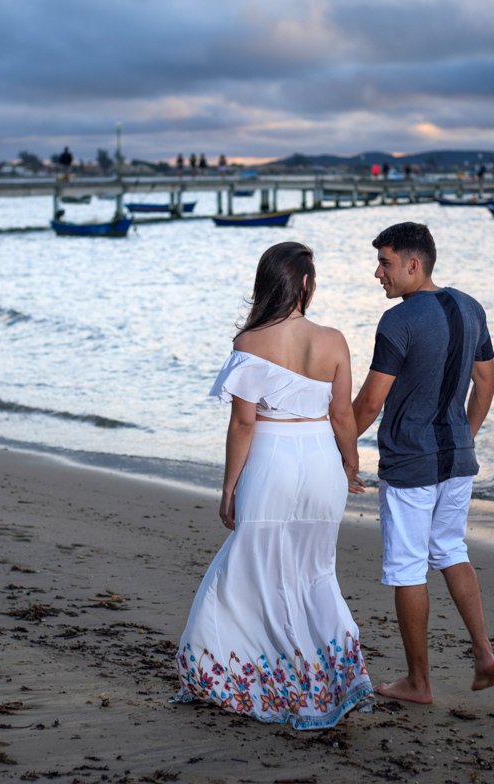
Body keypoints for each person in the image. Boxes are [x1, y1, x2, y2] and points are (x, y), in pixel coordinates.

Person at [174, 242, 375, 730]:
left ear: (269, 283)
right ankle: (332, 681)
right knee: (313, 572)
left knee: (252, 571)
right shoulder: (333, 340)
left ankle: (240, 678)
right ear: (306, 283)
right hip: (321, 460)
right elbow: (342, 415)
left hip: (271, 459)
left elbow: (243, 425)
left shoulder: (250, 343)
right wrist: (349, 465)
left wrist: (228, 488)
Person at [351, 221, 494, 704]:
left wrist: (340, 448)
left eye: (386, 263)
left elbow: (371, 403)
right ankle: (483, 652)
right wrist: (463, 439)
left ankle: (418, 683)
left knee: (407, 567)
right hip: (457, 460)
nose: (378, 274)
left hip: (411, 464)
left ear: (414, 265)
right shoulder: (471, 307)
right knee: (451, 549)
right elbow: (487, 384)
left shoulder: (399, 321)